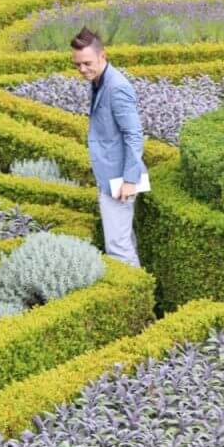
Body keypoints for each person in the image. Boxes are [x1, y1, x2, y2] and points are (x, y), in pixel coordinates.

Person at [70, 27, 146, 268]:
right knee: (123, 241)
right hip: (111, 175)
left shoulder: (117, 87)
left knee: (118, 248)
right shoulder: (99, 81)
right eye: (77, 65)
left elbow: (134, 134)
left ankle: (132, 297)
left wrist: (130, 179)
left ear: (103, 56)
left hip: (119, 178)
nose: (82, 70)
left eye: (87, 63)